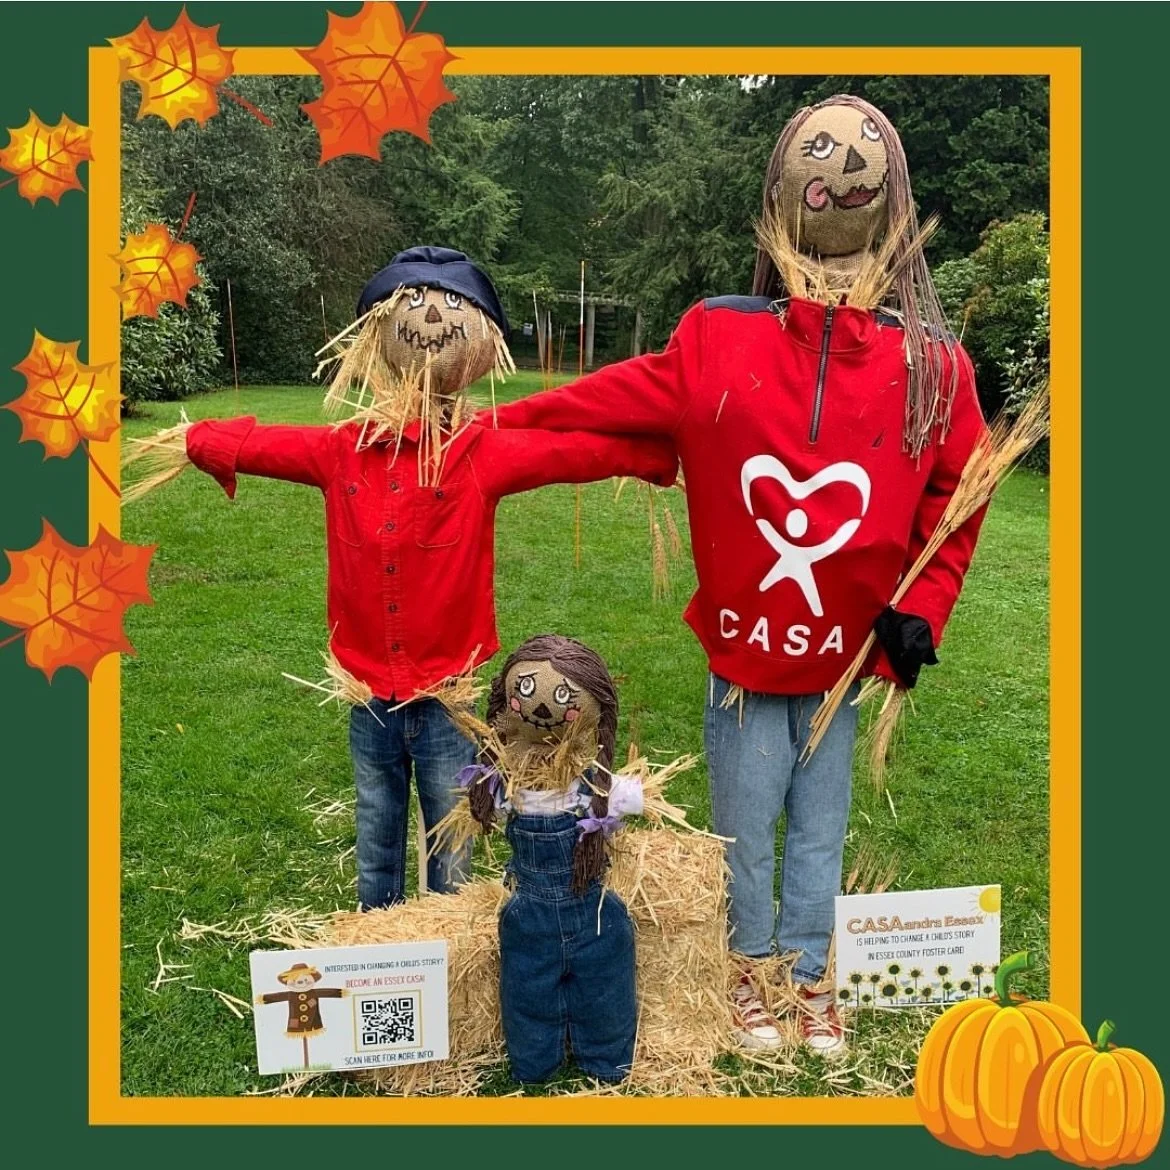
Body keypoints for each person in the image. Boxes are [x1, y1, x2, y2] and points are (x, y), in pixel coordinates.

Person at [485, 98, 988, 1056]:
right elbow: (612, 402)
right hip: (745, 666)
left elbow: (958, 498)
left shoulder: (932, 365)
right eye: (819, 150)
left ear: (892, 197)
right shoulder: (720, 335)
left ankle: (809, 972)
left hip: (842, 667)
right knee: (745, 830)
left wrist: (919, 610)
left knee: (820, 830)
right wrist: (490, 427)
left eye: (860, 154)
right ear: (782, 187)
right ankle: (751, 967)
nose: (841, 165)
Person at [131, 247, 677, 912]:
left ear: (479, 340)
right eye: (414, 302)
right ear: (379, 331)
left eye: (449, 305)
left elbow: (570, 453)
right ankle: (378, 941)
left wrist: (654, 455)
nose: (432, 316)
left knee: (452, 840)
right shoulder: (342, 451)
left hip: (448, 696)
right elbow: (262, 445)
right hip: (369, 693)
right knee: (376, 834)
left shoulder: (480, 454)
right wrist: (199, 441)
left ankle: (448, 947)